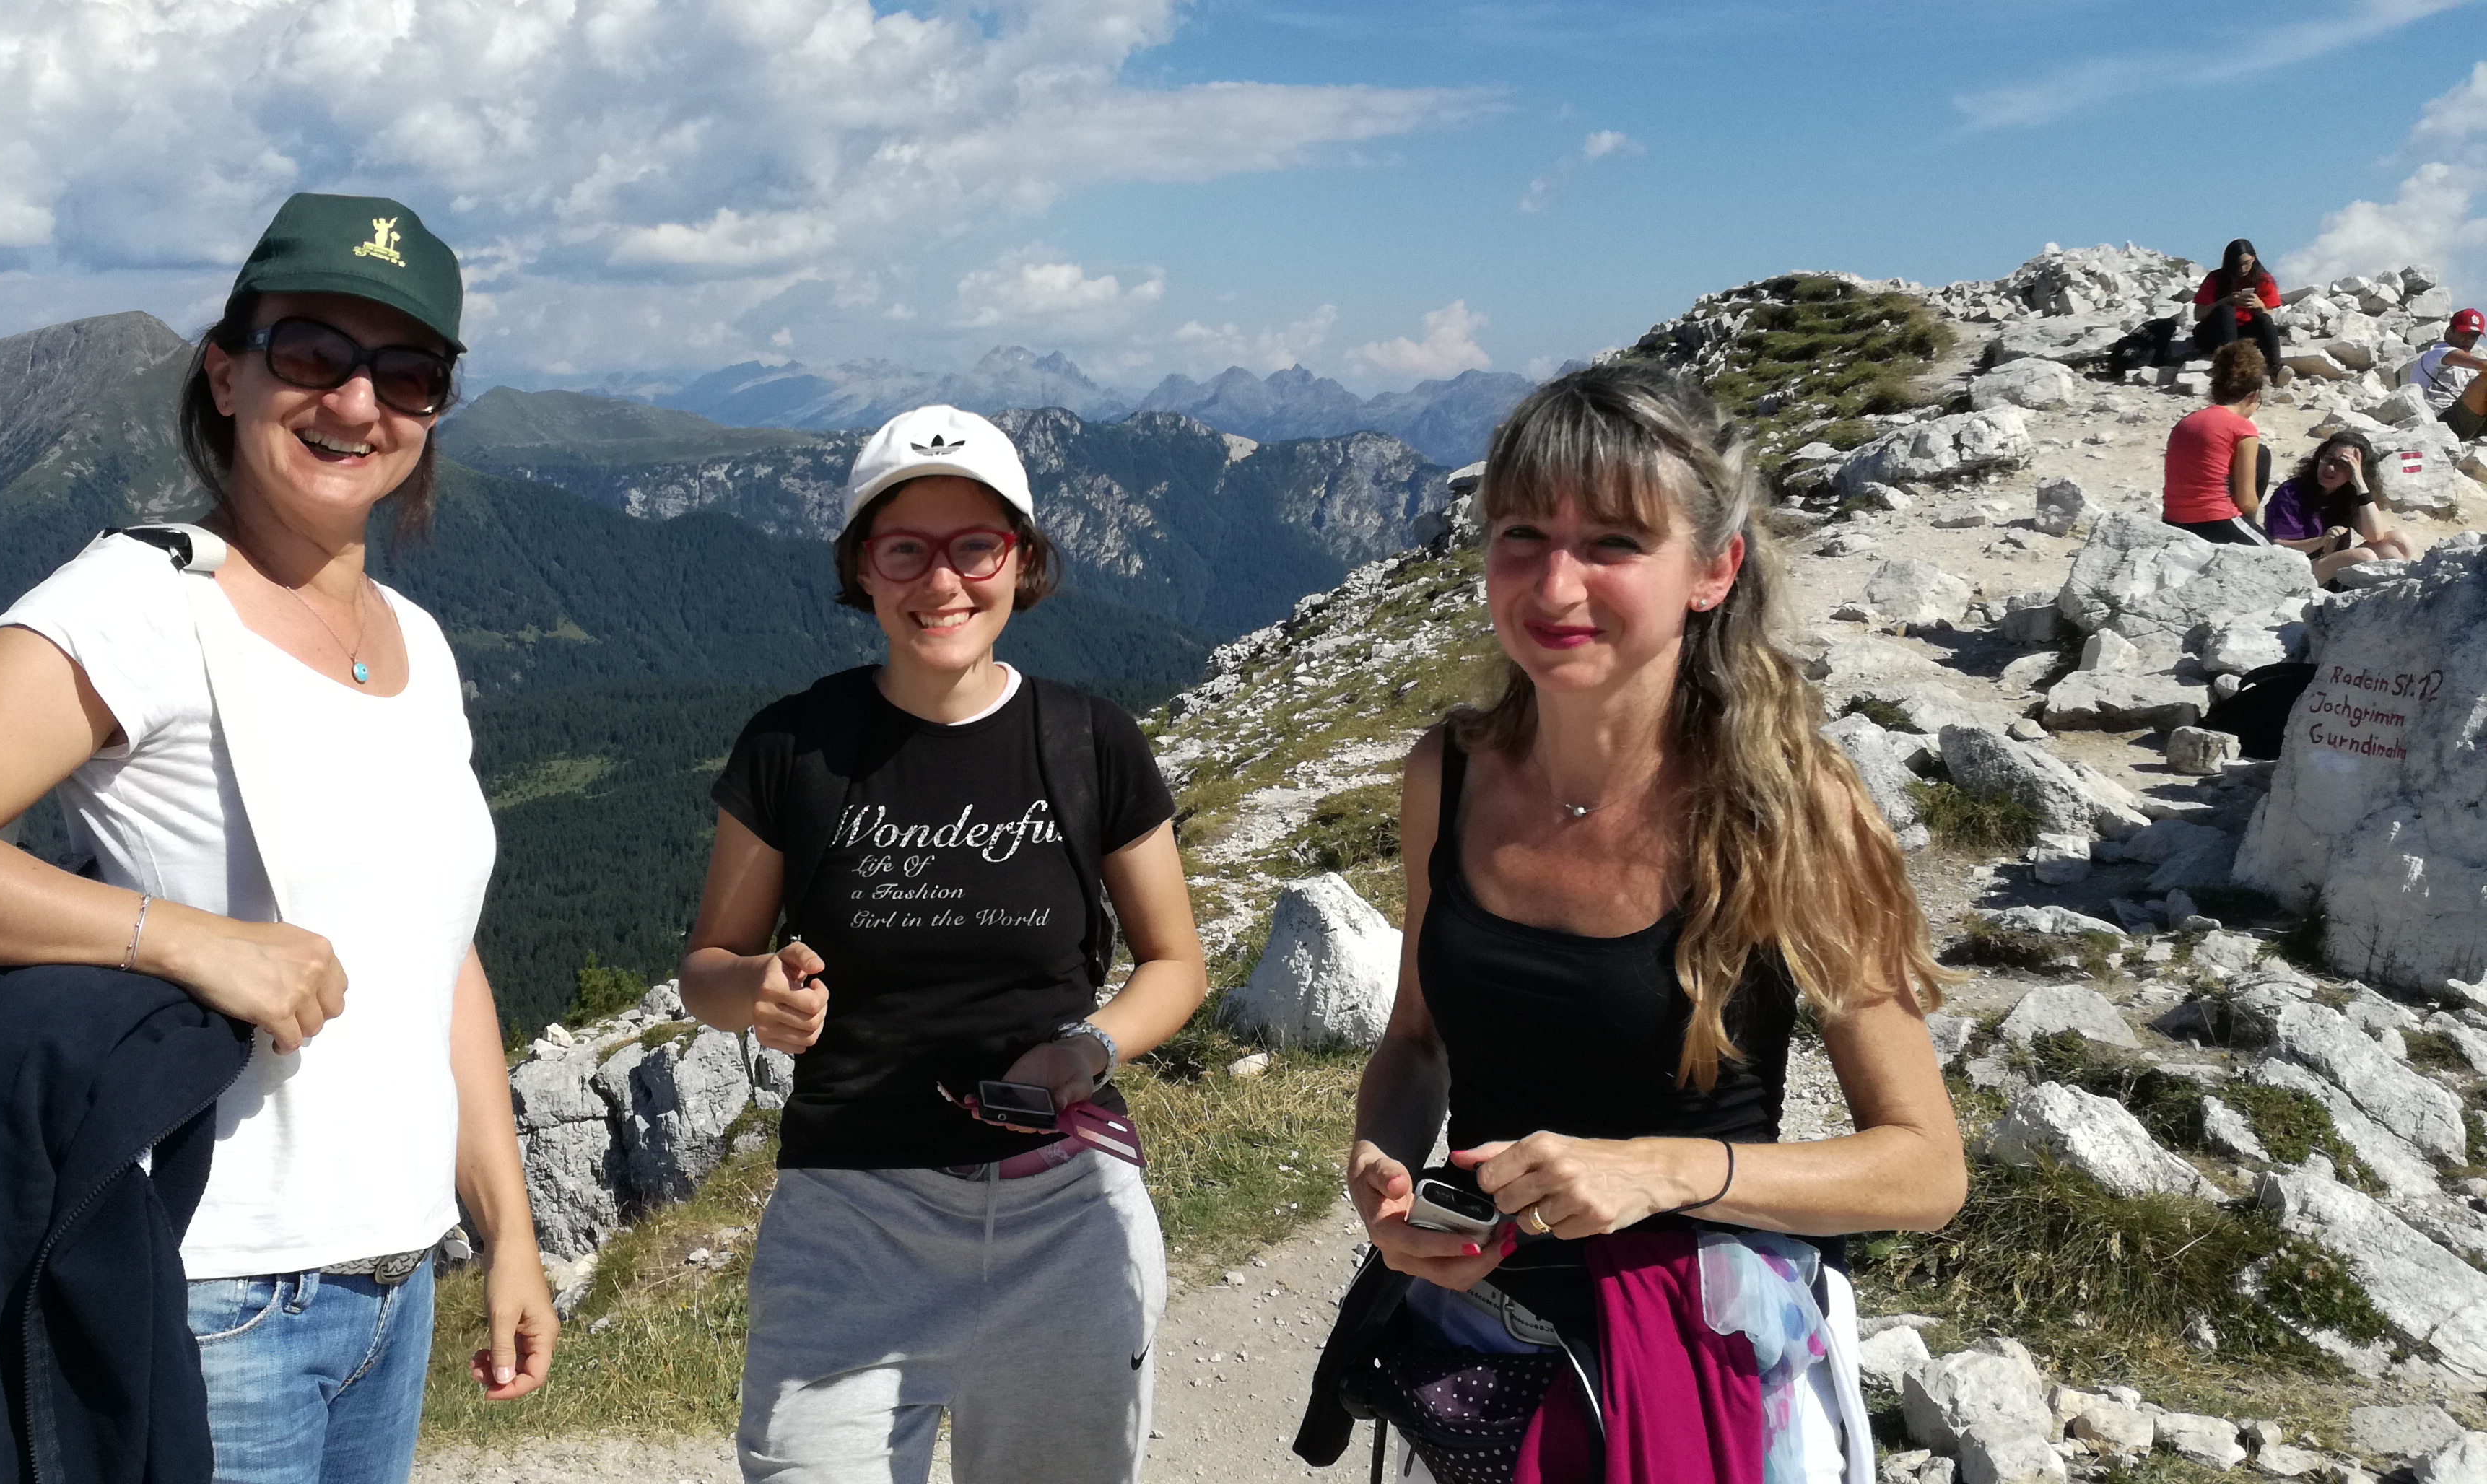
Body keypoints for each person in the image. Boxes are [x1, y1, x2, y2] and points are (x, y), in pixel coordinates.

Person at [0, 192, 555, 1482]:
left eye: (407, 374)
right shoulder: (142, 605)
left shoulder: (416, 642)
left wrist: (507, 1227)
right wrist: (181, 938)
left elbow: (439, 952)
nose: (357, 402)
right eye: (311, 352)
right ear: (225, 370)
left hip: (395, 1282)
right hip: (215, 1291)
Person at [1343, 365, 1964, 1481]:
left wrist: (1663, 1173)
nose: (1556, 584)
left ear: (1714, 570)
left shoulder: (1787, 807)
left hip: (1704, 1354)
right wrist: (1382, 1172)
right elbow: (1420, 1041)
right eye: (1523, 534)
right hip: (1483, 1344)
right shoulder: (1448, 772)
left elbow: (1925, 1170)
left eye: (1615, 543)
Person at [680, 404, 1211, 1484]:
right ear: (861, 567)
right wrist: (756, 987)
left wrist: (1086, 1052)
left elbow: (1175, 962)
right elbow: (708, 967)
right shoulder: (793, 746)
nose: (942, 582)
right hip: (848, 1220)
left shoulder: (1091, 740)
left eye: (975, 546)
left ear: (1021, 559)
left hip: (1066, 1216)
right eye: (904, 551)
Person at [2264, 429, 2416, 581]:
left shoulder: (2348, 494)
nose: (2330, 468)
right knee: (2365, 557)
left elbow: (2375, 536)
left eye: (2342, 465)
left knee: (2399, 541)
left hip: (2328, 563)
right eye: (2328, 459)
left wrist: (2361, 486)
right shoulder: (2291, 493)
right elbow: (2278, 546)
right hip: (2296, 569)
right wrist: (2321, 541)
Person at [2161, 342, 2273, 545]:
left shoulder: (2186, 422)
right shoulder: (2242, 428)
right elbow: (2247, 502)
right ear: (2254, 395)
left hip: (2172, 521)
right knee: (2277, 555)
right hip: (2216, 520)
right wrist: (2251, 523)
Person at [2190, 238, 2285, 367]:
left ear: (2253, 258)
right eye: (2237, 264)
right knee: (2226, 310)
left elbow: (2268, 315)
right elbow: (2198, 315)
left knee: (2264, 320)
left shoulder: (2264, 280)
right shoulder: (2216, 278)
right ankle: (2231, 367)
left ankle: (2275, 368)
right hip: (2214, 334)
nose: (2242, 268)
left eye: (2246, 263)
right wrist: (2226, 301)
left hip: (2245, 333)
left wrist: (2260, 306)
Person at [2410, 307, 2487, 440]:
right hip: (2441, 422)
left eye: (2474, 336)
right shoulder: (2436, 354)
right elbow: (2483, 365)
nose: (2469, 340)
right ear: (2449, 332)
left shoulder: (2469, 368)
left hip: (2469, 423)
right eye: (2465, 334)